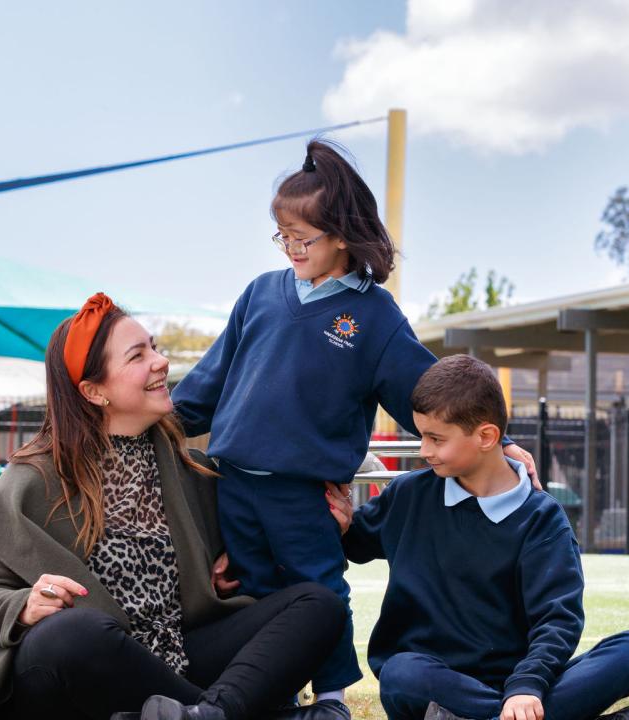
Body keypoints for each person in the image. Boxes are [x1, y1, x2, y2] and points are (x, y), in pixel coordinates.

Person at [170, 138, 537, 711]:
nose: (290, 247)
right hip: (233, 484)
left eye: (302, 237)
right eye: (281, 235)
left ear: (341, 234)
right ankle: (276, 696)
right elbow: (205, 384)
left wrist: (502, 441)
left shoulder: (374, 316)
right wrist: (148, 419)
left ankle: (332, 697)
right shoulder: (260, 294)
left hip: (305, 494)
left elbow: (427, 387)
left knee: (319, 592)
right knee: (256, 594)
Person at [0, 293, 351, 720]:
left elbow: (264, 548)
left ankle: (208, 714)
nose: (160, 361)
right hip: (79, 670)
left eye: (154, 347)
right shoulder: (32, 480)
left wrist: (329, 524)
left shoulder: (194, 470)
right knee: (73, 632)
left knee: (318, 604)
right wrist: (24, 606)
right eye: (137, 355)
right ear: (94, 391)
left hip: (179, 653)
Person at [331, 354, 629, 720]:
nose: (423, 451)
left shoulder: (542, 519)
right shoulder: (408, 495)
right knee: (400, 673)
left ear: (486, 436)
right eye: (421, 436)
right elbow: (354, 544)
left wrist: (526, 686)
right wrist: (341, 526)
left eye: (435, 438)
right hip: (433, 681)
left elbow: (557, 619)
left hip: (521, 686)